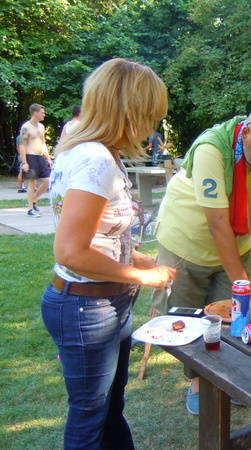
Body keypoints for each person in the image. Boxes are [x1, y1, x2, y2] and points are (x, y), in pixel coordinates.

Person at [40, 58, 176, 449]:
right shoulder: (95, 160)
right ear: (130, 111)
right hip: (87, 310)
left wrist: (136, 259)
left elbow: (96, 235)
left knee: (109, 410)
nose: (152, 127)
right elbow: (71, 251)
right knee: (90, 419)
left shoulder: (93, 152)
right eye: (151, 116)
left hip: (103, 305)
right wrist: (141, 276)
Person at [153, 103, 251, 414]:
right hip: (186, 243)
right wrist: (245, 285)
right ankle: (198, 384)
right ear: (246, 132)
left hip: (236, 246)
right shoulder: (212, 149)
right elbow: (217, 225)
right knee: (191, 321)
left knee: (239, 318)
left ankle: (229, 382)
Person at [19, 103, 52, 217]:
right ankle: (30, 209)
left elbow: (43, 143)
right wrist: (24, 162)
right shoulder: (26, 127)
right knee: (32, 183)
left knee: (48, 181)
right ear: (35, 113)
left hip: (40, 157)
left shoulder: (41, 127)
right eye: (42, 112)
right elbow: (22, 145)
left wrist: (48, 158)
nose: (44, 115)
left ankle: (33, 200)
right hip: (30, 157)